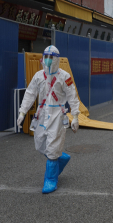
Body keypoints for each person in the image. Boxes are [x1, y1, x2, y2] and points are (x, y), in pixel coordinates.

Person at [16, 46, 80, 194]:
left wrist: (75, 117)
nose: (49, 60)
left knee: (52, 147)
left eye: (52, 57)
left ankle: (51, 179)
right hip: (42, 113)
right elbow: (30, 94)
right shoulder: (38, 76)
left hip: (57, 114)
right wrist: (22, 112)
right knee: (39, 143)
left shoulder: (65, 77)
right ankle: (61, 157)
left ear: (57, 59)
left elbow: (72, 97)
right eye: (46, 56)